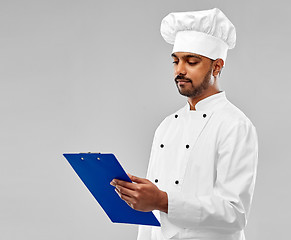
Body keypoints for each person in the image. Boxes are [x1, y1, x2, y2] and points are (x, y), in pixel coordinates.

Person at [110, 8, 258, 240]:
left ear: (217, 67)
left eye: (191, 61)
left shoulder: (235, 125)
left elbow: (234, 213)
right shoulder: (166, 126)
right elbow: (151, 221)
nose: (180, 70)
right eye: (176, 61)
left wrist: (162, 200)